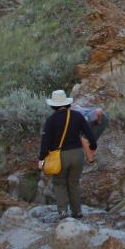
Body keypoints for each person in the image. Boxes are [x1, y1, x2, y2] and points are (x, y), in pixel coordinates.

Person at [39, 89, 98, 219]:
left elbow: (45, 142)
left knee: (60, 183)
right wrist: (93, 147)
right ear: (66, 103)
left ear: (53, 105)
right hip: (77, 154)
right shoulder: (77, 116)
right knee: (74, 183)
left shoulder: (51, 120)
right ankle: (77, 212)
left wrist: (41, 159)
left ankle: (63, 213)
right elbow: (89, 133)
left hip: (60, 157)